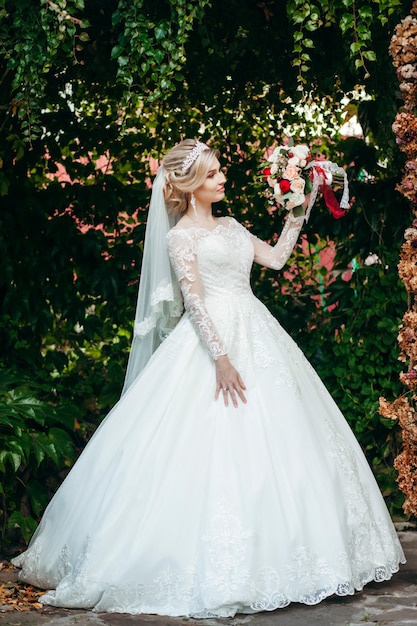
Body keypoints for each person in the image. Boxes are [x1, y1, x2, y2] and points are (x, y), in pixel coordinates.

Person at [12, 138, 405, 619]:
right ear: (189, 185)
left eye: (220, 171)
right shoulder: (180, 237)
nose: (222, 178)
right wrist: (220, 358)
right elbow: (194, 300)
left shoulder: (234, 226)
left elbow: (278, 259)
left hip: (257, 330)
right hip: (211, 341)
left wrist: (299, 210)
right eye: (214, 173)